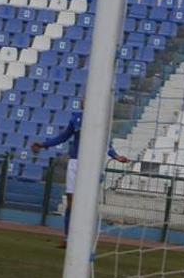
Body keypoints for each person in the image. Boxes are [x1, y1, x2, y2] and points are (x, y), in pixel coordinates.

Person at [30, 101, 130, 248]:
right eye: (84, 99)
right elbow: (63, 137)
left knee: (86, 203)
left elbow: (105, 143)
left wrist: (115, 156)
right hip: (75, 162)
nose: (85, 102)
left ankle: (83, 237)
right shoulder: (76, 118)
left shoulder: (100, 120)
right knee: (71, 201)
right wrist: (44, 145)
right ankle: (67, 238)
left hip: (90, 164)